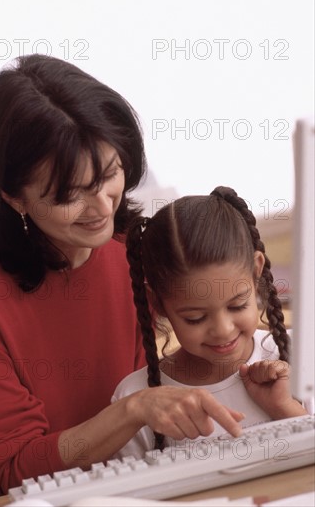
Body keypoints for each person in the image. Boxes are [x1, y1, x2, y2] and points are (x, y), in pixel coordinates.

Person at [0, 56, 243, 506]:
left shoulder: (130, 245)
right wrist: (132, 411)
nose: (103, 206)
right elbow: (13, 468)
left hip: (121, 486)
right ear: (13, 196)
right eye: (70, 194)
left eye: (109, 175)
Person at [112, 187, 308, 459]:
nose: (223, 330)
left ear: (256, 271)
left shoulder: (303, 354)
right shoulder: (136, 398)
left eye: (237, 305)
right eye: (195, 318)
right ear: (157, 304)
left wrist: (285, 409)